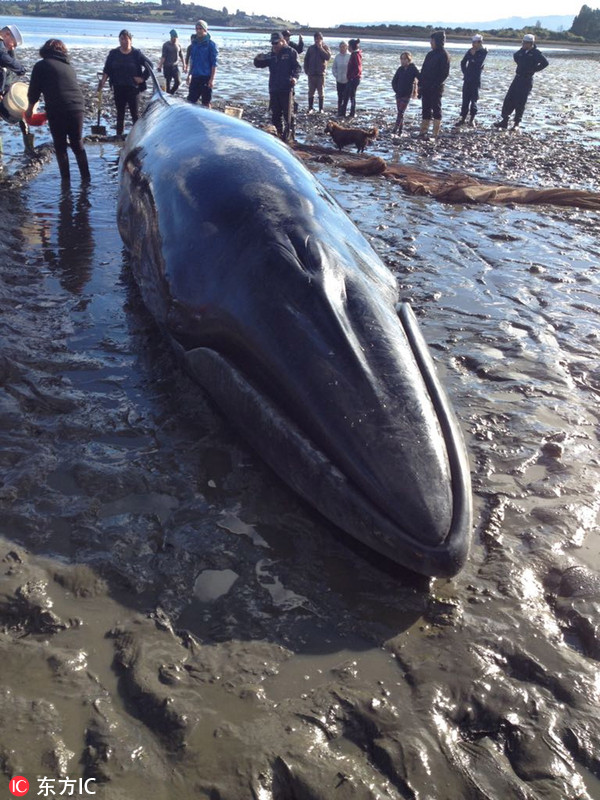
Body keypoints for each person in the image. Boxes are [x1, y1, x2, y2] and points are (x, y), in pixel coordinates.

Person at [26, 39, 90, 184]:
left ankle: (65, 184)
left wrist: (29, 110)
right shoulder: (69, 66)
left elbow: (34, 91)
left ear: (45, 50)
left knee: (60, 146)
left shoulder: (41, 65)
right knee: (77, 144)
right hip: (77, 107)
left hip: (58, 109)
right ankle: (86, 180)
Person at [98, 30, 149, 137]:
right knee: (120, 114)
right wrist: (102, 82)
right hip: (118, 87)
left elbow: (150, 65)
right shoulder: (113, 53)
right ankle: (119, 138)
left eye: (126, 39)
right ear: (119, 40)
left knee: (134, 114)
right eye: (122, 39)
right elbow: (107, 69)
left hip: (133, 88)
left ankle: (137, 137)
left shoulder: (136, 54)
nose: (124, 41)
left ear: (130, 40)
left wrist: (142, 78)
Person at [493, 34, 549, 130]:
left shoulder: (536, 53)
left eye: (526, 43)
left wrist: (533, 69)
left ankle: (516, 124)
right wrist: (521, 64)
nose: (523, 44)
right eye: (523, 42)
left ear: (531, 43)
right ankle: (504, 120)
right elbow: (515, 56)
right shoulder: (521, 51)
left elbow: (545, 63)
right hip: (517, 78)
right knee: (509, 99)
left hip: (526, 79)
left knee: (521, 101)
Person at [254, 31, 300, 142]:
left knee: (288, 116)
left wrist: (295, 78)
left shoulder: (291, 52)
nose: (274, 45)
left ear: (282, 41)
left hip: (287, 89)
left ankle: (290, 138)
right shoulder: (271, 54)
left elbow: (298, 68)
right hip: (274, 88)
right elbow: (258, 64)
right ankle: (278, 137)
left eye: (276, 43)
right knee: (275, 115)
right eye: (272, 43)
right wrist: (257, 58)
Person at [418, 30, 450, 138]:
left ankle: (435, 133)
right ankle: (423, 131)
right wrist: (420, 85)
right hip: (426, 86)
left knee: (436, 108)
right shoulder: (430, 54)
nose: (430, 43)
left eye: (432, 40)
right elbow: (423, 70)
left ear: (438, 41)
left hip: (436, 87)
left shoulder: (444, 55)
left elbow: (445, 73)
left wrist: (435, 84)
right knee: (425, 108)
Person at [456, 34, 487, 127]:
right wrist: (465, 72)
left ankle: (472, 119)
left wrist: (473, 57)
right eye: (472, 42)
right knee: (465, 99)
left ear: (480, 42)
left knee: (474, 100)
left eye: (475, 42)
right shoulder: (470, 51)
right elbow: (463, 62)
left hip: (476, 79)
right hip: (467, 78)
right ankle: (463, 118)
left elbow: (479, 63)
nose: (473, 44)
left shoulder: (483, 51)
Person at [186, 20, 218, 107]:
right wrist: (189, 75)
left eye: (200, 29)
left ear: (205, 30)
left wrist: (212, 79)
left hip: (206, 77)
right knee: (190, 101)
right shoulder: (194, 44)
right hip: (195, 76)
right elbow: (192, 61)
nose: (198, 31)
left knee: (206, 102)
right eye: (197, 29)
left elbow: (214, 63)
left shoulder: (211, 45)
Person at [391, 51, 419, 135]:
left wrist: (419, 89)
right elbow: (394, 81)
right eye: (401, 59)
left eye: (404, 59)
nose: (402, 61)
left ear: (409, 60)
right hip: (398, 93)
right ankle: (400, 130)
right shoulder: (400, 69)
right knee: (400, 112)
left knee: (401, 112)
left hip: (407, 94)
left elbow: (420, 77)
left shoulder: (413, 68)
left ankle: (395, 129)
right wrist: (396, 90)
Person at [303, 31, 331, 113]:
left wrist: (320, 48)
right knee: (310, 92)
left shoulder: (325, 47)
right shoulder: (311, 48)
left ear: (322, 39)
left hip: (320, 74)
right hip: (311, 74)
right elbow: (306, 59)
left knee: (321, 92)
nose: (317, 40)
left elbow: (328, 57)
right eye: (316, 38)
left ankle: (321, 108)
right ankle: (310, 108)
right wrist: (306, 70)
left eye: (319, 38)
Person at [158, 29, 185, 94]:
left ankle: (171, 93)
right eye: (174, 37)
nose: (175, 39)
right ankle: (168, 94)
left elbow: (181, 55)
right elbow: (163, 56)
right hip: (167, 66)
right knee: (168, 83)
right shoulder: (166, 45)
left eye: (176, 37)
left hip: (175, 67)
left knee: (178, 82)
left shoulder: (178, 45)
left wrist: (184, 65)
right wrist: (160, 66)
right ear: (171, 37)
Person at [340, 38, 362, 118]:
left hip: (354, 79)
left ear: (352, 47)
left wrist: (352, 77)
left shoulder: (355, 55)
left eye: (349, 46)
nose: (348, 48)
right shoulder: (355, 54)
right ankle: (345, 112)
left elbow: (358, 68)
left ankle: (350, 113)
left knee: (350, 96)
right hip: (353, 79)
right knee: (348, 95)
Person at [0, 23, 25, 91]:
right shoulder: (2, 50)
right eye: (13, 44)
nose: (12, 47)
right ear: (7, 34)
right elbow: (16, 67)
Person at [331, 41, 350, 117]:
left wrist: (349, 77)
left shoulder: (349, 56)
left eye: (343, 47)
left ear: (346, 47)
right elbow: (334, 68)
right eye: (341, 47)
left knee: (346, 97)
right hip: (339, 80)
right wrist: (336, 75)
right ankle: (339, 111)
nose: (342, 48)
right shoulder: (337, 57)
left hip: (347, 81)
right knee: (340, 96)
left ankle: (344, 112)